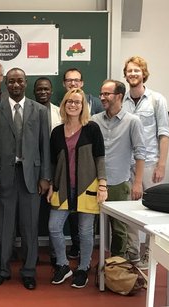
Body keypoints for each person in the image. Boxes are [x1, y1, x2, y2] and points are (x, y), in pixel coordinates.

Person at [0, 67, 51, 290]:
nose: (15, 85)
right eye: (11, 81)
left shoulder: (40, 111)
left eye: (19, 81)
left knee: (30, 227)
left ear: (26, 83)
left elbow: (45, 146)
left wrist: (45, 177)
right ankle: (3, 270)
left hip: (31, 177)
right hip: (5, 176)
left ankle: (28, 271)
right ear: (6, 83)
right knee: (4, 227)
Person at [47, 88, 107, 289]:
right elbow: (54, 163)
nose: (73, 105)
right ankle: (63, 266)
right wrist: (50, 185)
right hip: (62, 187)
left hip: (88, 186)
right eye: (69, 101)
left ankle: (83, 268)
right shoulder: (56, 132)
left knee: (85, 231)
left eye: (77, 102)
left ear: (83, 107)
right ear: (64, 105)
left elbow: (100, 157)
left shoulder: (92, 128)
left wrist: (103, 184)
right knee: (54, 227)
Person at [122, 56, 169, 268]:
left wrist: (161, 164)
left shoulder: (157, 100)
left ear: (143, 74)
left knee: (154, 213)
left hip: (150, 164)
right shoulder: (121, 100)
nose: (133, 74)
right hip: (127, 165)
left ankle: (151, 255)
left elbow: (164, 134)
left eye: (136, 71)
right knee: (129, 212)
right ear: (125, 75)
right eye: (129, 71)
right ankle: (132, 254)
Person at [91, 80, 145, 257]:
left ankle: (117, 264)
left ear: (119, 96)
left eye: (107, 94)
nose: (102, 98)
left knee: (119, 228)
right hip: (94, 182)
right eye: (102, 94)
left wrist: (137, 183)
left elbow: (140, 153)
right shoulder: (94, 121)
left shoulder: (132, 122)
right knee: (88, 225)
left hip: (119, 182)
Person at [61, 67, 104, 260]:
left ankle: (85, 264)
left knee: (86, 227)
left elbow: (99, 154)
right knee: (66, 221)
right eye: (69, 80)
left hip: (88, 180)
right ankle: (75, 248)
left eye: (76, 80)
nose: (73, 83)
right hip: (66, 183)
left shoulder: (93, 123)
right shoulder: (59, 125)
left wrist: (102, 182)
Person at [33, 77, 61, 266]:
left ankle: (55, 254)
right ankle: (32, 254)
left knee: (55, 215)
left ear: (51, 91)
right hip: (33, 172)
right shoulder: (29, 111)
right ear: (34, 92)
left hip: (57, 170)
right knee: (32, 217)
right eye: (39, 89)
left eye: (46, 89)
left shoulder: (61, 112)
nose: (43, 92)